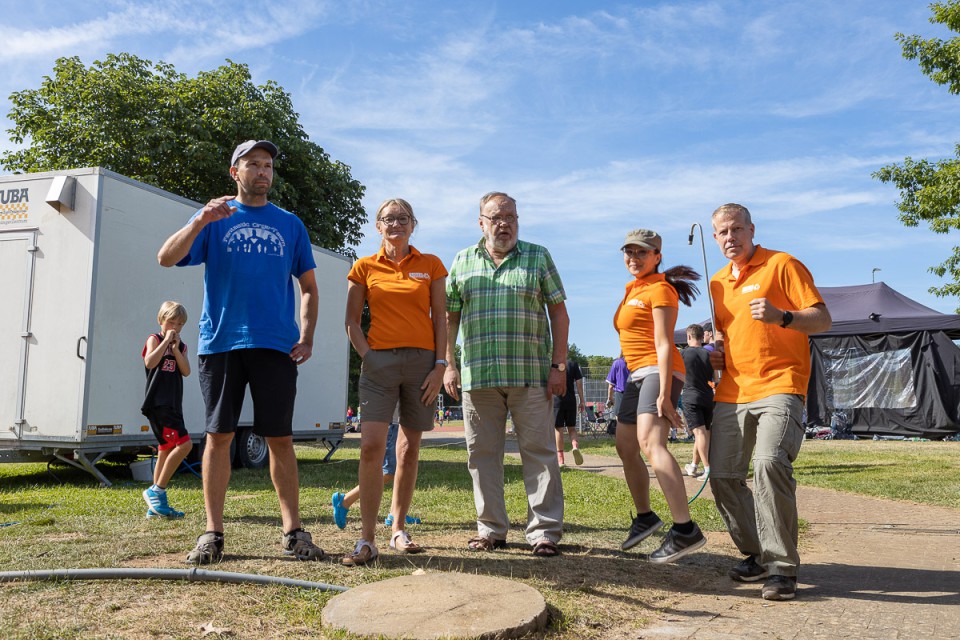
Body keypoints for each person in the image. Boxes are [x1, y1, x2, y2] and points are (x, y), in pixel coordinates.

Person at [158, 139, 325, 564]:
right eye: (254, 164)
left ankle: (293, 532)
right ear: (235, 172)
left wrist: (306, 336)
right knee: (219, 436)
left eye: (268, 165)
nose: (263, 171)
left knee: (280, 438)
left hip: (276, 344)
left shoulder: (290, 224)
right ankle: (212, 533)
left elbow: (308, 287)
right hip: (222, 342)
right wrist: (200, 220)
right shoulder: (214, 217)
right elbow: (166, 257)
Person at [708, 203, 831, 601]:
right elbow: (727, 335)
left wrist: (783, 317)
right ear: (715, 238)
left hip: (781, 384)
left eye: (737, 229)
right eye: (723, 232)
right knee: (723, 477)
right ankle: (758, 554)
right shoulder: (716, 283)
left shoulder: (782, 264)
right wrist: (717, 355)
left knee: (768, 462)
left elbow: (822, 319)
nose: (730, 237)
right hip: (732, 392)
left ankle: (781, 568)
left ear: (751, 229)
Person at [444, 191, 568, 558]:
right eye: (496, 218)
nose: (504, 224)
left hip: (530, 374)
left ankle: (544, 533)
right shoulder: (462, 260)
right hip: (478, 377)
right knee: (482, 455)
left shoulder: (537, 256)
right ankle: (491, 530)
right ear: (481, 222)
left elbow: (559, 313)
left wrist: (558, 365)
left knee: (540, 453)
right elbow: (449, 318)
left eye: (510, 217)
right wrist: (448, 364)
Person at [341, 197, 446, 566]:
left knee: (408, 450)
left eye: (403, 218)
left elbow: (440, 319)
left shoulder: (431, 265)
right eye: (389, 219)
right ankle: (367, 539)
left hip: (422, 365)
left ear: (413, 225)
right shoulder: (364, 266)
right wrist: (369, 358)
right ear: (378, 225)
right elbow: (352, 321)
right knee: (371, 447)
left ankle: (398, 528)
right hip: (378, 365)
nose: (396, 224)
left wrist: (440, 366)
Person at [613, 228, 707, 563]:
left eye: (642, 252)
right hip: (636, 373)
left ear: (657, 256)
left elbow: (665, 343)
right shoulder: (633, 289)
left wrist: (666, 395)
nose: (634, 258)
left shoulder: (661, 289)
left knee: (651, 443)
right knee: (625, 446)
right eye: (629, 252)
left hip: (658, 370)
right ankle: (645, 518)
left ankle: (685, 530)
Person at [140, 301, 194, 519]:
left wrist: (176, 349)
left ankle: (155, 507)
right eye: (172, 322)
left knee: (165, 448)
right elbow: (150, 362)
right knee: (185, 444)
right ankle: (157, 491)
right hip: (158, 403)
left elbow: (186, 371)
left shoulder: (181, 346)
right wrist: (165, 344)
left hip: (173, 403)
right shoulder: (154, 339)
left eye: (180, 324)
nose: (176, 327)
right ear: (161, 320)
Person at [331, 410, 421, 531]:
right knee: (389, 472)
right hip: (394, 423)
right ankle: (345, 501)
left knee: (398, 471)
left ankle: (395, 513)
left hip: (399, 423)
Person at [681, 324, 713, 480]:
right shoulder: (709, 353)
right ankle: (694, 465)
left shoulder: (683, 353)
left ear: (689, 336)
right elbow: (714, 377)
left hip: (690, 396)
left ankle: (707, 469)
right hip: (707, 396)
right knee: (703, 433)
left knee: (699, 434)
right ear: (702, 336)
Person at [553, 357, 585, 467]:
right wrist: (582, 401)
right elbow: (579, 383)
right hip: (571, 400)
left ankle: (561, 460)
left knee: (558, 429)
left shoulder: (553, 364)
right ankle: (575, 446)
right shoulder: (573, 364)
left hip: (557, 400)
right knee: (571, 428)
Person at [605, 354, 628, 434]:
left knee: (620, 421)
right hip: (635, 393)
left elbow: (611, 385)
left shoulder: (617, 363)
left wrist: (610, 398)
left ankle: (622, 437)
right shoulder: (637, 362)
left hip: (620, 395)